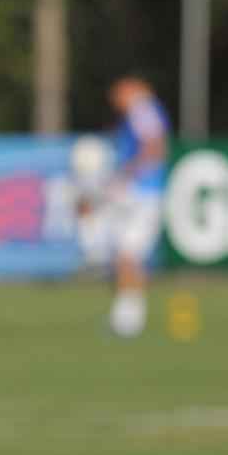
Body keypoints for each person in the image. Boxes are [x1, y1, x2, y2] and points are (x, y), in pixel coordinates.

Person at [76, 76, 169, 337]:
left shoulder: (143, 109)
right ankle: (125, 317)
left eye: (118, 95)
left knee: (126, 255)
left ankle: (128, 320)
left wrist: (127, 173)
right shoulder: (139, 112)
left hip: (139, 194)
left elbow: (155, 148)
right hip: (133, 193)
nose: (115, 101)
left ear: (131, 90)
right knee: (123, 257)